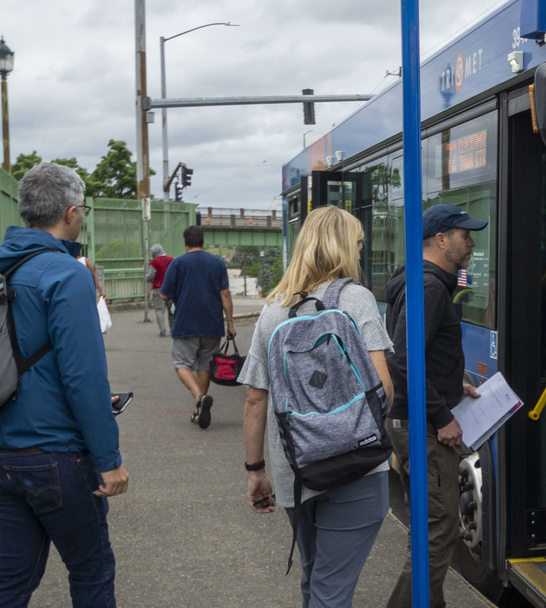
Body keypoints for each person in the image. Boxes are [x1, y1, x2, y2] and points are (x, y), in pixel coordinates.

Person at [239, 206, 395, 608]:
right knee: (332, 591)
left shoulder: (273, 307)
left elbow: (255, 400)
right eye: (358, 244)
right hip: (356, 468)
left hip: (297, 469)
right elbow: (383, 389)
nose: (360, 251)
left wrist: (256, 471)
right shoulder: (355, 299)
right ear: (344, 247)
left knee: (315, 579)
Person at [0, 162, 129, 607]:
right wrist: (109, 460)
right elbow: (82, 377)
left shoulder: (5, 268)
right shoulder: (66, 274)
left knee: (10, 582)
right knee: (91, 572)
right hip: (57, 455)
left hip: (5, 454)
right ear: (72, 213)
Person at [384, 203, 486, 608]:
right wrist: (442, 416)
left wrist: (450, 386)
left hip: (414, 417)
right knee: (441, 525)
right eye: (465, 235)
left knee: (431, 523)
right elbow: (405, 360)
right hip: (421, 425)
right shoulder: (428, 287)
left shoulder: (424, 282)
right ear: (441, 240)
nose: (471, 242)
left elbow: (418, 357)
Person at [160, 225, 235, 429]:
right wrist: (230, 322)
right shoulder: (217, 263)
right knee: (205, 366)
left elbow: (164, 294)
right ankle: (198, 409)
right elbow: (225, 294)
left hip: (186, 322)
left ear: (185, 242)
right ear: (202, 241)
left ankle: (199, 397)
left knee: (181, 364)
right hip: (212, 323)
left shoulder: (178, 263)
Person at [145, 243, 174, 337]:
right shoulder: (172, 260)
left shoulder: (154, 262)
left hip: (158, 289)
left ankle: (163, 331)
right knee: (172, 310)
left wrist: (146, 276)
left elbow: (150, 277)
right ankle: (173, 330)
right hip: (171, 289)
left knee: (159, 310)